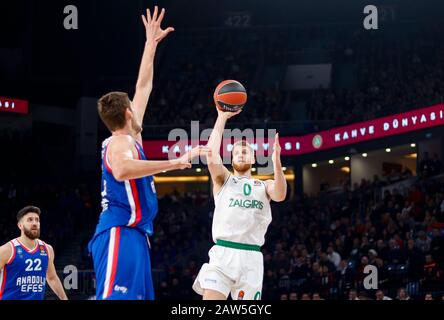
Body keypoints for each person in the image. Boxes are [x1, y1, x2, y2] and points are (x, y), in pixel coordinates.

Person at [88, 7, 208, 300]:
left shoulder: (131, 133)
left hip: (137, 234)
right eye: (133, 104)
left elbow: (144, 85)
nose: (137, 102)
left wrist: (150, 44)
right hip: (119, 231)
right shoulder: (118, 144)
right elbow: (122, 170)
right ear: (128, 113)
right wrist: (175, 162)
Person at [193, 108, 287, 300]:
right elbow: (210, 155)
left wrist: (276, 163)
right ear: (231, 159)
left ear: (253, 159)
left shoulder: (263, 185)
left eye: (245, 151)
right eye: (237, 152)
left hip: (251, 257)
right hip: (223, 253)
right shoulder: (223, 180)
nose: (241, 154)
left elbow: (280, 195)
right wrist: (221, 117)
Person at [0, 206, 68, 300]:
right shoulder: (7, 250)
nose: (35, 223)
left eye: (37, 220)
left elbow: (52, 278)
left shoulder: (47, 249)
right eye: (30, 220)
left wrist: (64, 298)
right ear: (20, 225)